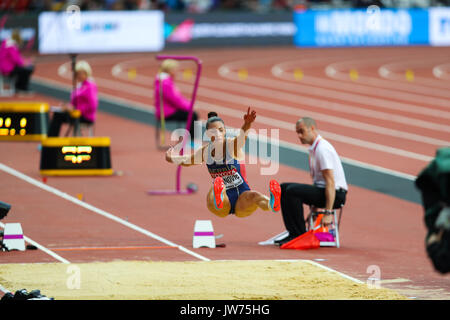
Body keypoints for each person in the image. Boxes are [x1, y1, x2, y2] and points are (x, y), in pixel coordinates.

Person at [165, 107, 281, 218]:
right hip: (221, 205)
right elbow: (188, 160)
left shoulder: (231, 146)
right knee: (214, 190)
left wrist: (247, 124)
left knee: (255, 196)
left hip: (241, 196)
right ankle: (219, 196)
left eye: (220, 130)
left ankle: (271, 204)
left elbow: (241, 139)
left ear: (224, 131)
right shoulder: (206, 151)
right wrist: (171, 158)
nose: (218, 134)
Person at [276, 117, 348, 245]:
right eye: (297, 132)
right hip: (323, 191)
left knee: (292, 191)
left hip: (336, 195)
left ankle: (299, 234)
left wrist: (328, 212)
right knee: (283, 188)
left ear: (312, 129)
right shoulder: (314, 149)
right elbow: (318, 181)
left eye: (302, 131)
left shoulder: (322, 149)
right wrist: (314, 205)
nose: (299, 135)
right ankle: (293, 233)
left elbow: (330, 182)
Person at [47, 60, 98, 137]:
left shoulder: (90, 86)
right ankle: (51, 140)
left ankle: (51, 140)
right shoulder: (79, 86)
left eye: (81, 73)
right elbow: (74, 102)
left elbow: (92, 105)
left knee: (58, 116)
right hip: (76, 113)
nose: (79, 76)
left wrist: (76, 109)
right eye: (78, 73)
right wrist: (67, 106)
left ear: (87, 73)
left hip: (85, 116)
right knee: (58, 113)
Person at [154, 59, 199, 141]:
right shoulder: (165, 83)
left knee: (191, 114)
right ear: (170, 70)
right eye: (175, 69)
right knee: (193, 115)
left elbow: (178, 98)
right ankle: (190, 140)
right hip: (166, 112)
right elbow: (175, 100)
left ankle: (189, 139)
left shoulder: (164, 81)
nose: (177, 71)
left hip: (168, 110)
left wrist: (189, 105)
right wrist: (190, 107)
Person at [0, 29, 34, 93]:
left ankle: (20, 86)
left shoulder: (7, 43)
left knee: (26, 68)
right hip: (7, 68)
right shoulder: (11, 45)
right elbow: (16, 60)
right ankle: (21, 87)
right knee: (27, 69)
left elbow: (17, 57)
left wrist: (27, 61)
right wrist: (26, 62)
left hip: (5, 67)